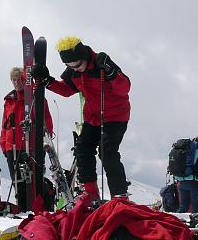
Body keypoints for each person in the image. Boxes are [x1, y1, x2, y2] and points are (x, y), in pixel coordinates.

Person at [32, 36, 131, 201]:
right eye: (69, 66)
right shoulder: (74, 71)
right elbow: (67, 90)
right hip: (92, 117)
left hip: (115, 116)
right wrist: (47, 82)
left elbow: (124, 88)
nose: (75, 69)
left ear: (84, 56)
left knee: (107, 151)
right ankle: (90, 193)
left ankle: (119, 195)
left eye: (77, 65)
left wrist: (112, 72)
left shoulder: (101, 64)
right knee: (83, 149)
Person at [0, 66, 54, 210]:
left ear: (25, 80)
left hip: (33, 144)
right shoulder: (9, 100)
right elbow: (4, 125)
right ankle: (22, 209)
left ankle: (39, 208)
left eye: (19, 79)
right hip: (13, 146)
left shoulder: (36, 98)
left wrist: (46, 139)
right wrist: (4, 145)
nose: (16, 82)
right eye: (13, 80)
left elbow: (46, 119)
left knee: (35, 180)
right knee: (18, 182)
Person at [174, 135, 198, 214]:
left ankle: (178, 223)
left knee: (183, 207)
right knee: (196, 207)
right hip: (195, 181)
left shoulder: (186, 148)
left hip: (182, 180)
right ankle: (195, 223)